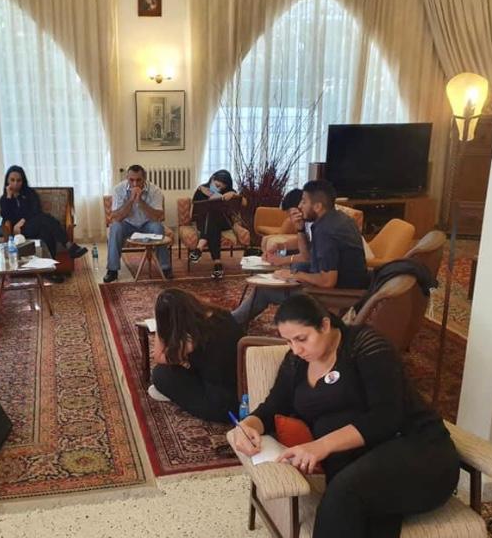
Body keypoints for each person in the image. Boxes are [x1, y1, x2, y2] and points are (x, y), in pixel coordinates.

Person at [229, 293, 459, 538]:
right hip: (365, 471)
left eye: (302, 339)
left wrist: (321, 446)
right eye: (288, 341)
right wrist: (249, 425)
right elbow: (273, 407)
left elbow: (386, 417)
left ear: (325, 325)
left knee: (342, 495)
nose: (296, 349)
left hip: (418, 454)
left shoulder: (366, 346)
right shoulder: (296, 362)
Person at [231, 179, 368, 327]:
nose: (300, 206)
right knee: (297, 268)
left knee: (264, 290)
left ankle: (231, 323)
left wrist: (294, 275)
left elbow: (328, 282)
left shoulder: (326, 231)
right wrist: (300, 229)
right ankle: (235, 320)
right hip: (348, 285)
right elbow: (308, 256)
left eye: (304, 201)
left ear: (317, 206)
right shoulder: (337, 219)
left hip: (335, 293)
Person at [149, 288, 244, 422]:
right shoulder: (221, 314)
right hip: (245, 389)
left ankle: (176, 395)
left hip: (223, 406)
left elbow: (159, 357)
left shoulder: (193, 338)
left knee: (160, 373)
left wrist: (160, 324)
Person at [0, 165, 87, 283]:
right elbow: (6, 216)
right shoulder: (4, 199)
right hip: (20, 232)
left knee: (45, 230)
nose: (15, 183)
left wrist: (21, 221)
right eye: (12, 180)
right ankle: (69, 246)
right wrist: (9, 197)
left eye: (18, 180)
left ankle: (48, 271)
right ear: (7, 181)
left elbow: (36, 211)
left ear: (23, 181)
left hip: (32, 225)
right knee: (45, 219)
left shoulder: (30, 193)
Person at [104, 165, 171, 283]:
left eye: (138, 180)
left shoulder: (155, 190)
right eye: (131, 180)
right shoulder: (118, 189)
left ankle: (165, 267)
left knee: (158, 227)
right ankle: (112, 270)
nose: (135, 184)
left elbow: (157, 217)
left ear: (144, 179)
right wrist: (131, 200)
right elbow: (117, 217)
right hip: (126, 224)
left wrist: (140, 201)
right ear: (127, 178)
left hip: (147, 224)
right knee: (115, 228)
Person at [188, 169, 241, 279]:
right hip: (204, 222)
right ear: (212, 179)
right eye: (217, 185)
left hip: (224, 222)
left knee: (212, 216)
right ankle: (217, 265)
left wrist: (233, 194)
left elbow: (244, 203)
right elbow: (192, 213)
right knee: (212, 223)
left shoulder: (229, 191)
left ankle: (199, 248)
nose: (219, 189)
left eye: (222, 188)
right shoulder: (201, 189)